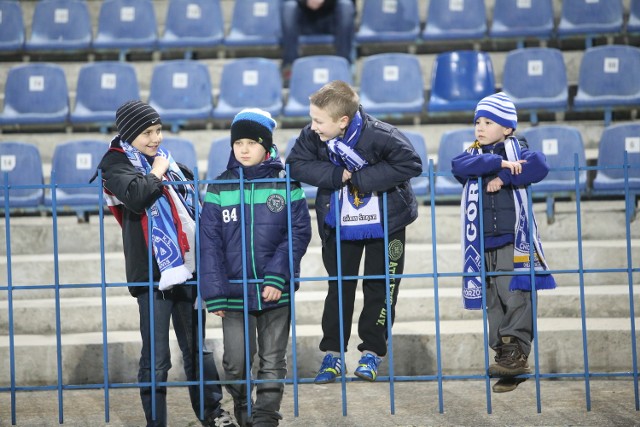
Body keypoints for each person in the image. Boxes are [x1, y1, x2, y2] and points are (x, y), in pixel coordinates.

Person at [95, 100, 236, 427]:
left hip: (187, 268)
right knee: (157, 358)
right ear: (130, 134)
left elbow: (193, 207)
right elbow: (137, 195)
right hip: (150, 274)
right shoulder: (114, 164)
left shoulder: (172, 164)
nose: (156, 138)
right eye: (147, 132)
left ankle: (213, 413)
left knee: (197, 350)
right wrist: (156, 171)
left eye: (158, 130)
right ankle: (155, 422)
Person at [286, 80, 422, 384]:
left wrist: (363, 178)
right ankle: (332, 354)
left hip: (387, 225)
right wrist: (339, 174)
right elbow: (295, 165)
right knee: (339, 287)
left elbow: (411, 163)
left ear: (343, 121)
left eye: (319, 121)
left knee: (381, 287)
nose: (313, 126)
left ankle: (372, 353)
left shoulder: (381, 135)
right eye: (312, 118)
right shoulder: (313, 136)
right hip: (339, 224)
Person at [199, 109, 312, 426]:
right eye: (238, 143)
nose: (244, 149)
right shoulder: (220, 188)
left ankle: (265, 418)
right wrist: (215, 293)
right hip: (233, 293)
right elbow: (209, 244)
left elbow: (298, 232)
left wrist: (278, 276)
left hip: (276, 290)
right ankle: (243, 409)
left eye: (251, 142)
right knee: (235, 363)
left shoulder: (286, 185)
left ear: (267, 146)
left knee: (273, 360)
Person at [451, 92, 557, 393]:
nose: (480, 128)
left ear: (508, 129)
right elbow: (458, 166)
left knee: (516, 293)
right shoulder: (474, 155)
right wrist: (498, 165)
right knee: (493, 299)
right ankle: (505, 358)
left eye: (489, 122)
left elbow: (538, 166)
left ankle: (516, 352)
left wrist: (506, 177)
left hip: (513, 238)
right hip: (481, 242)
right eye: (478, 122)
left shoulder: (518, 148)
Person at [280, 0, 356, 83]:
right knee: (289, 6)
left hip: (333, 20)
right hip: (304, 20)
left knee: (346, 5)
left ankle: (344, 65)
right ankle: (290, 67)